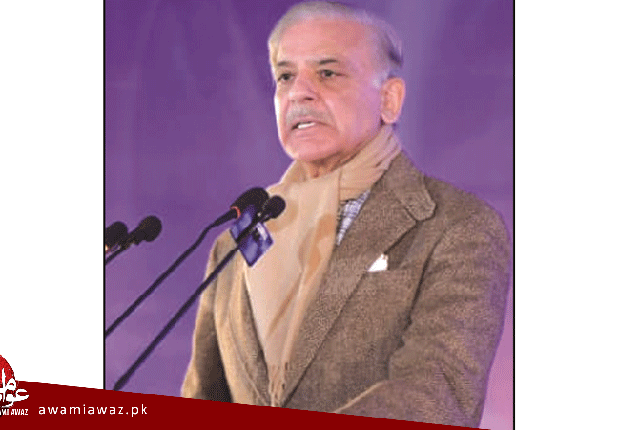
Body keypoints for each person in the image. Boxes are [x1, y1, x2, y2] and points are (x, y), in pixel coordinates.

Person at [181, 2, 510, 426]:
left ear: (389, 99)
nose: (299, 92)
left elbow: (436, 394)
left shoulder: (456, 227)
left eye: (327, 73)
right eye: (285, 76)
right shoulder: (235, 245)